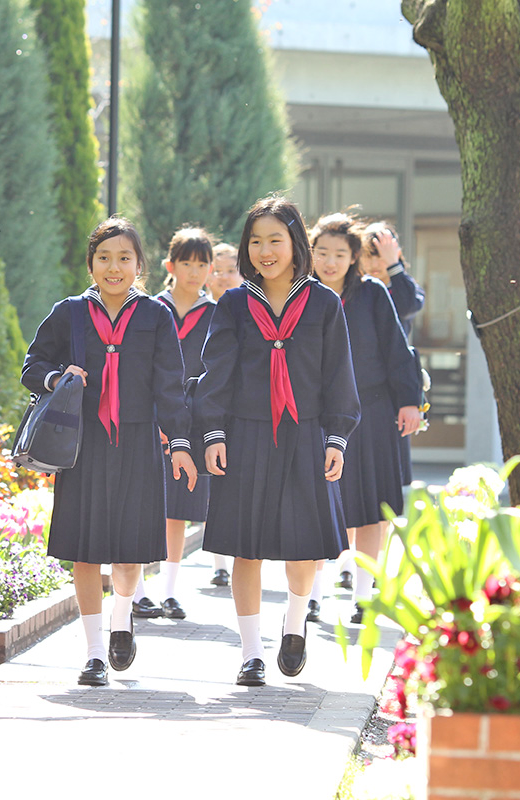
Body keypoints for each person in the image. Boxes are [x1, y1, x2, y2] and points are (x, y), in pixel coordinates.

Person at [21, 216, 198, 686]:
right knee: (85, 551)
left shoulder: (155, 316)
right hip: (85, 446)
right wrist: (56, 378)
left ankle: (123, 619)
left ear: (139, 265)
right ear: (91, 264)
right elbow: (32, 364)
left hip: (139, 443)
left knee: (129, 547)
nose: (114, 267)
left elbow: (171, 385)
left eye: (124, 258)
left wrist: (180, 445)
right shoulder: (70, 314)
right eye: (104, 258)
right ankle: (95, 652)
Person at [194, 196, 360, 687]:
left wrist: (337, 438)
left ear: (295, 244)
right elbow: (215, 374)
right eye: (256, 241)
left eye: (276, 240)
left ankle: (293, 624)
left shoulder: (324, 304)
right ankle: (250, 653)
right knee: (246, 547)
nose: (266, 251)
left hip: (306, 433)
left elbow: (338, 377)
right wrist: (213, 433)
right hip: (245, 434)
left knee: (303, 544)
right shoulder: (235, 305)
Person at [309, 213, 421, 625]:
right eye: (322, 252)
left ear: (354, 256)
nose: (330, 261)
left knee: (371, 507)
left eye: (340, 253)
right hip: (316, 415)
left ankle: (362, 596)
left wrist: (409, 401)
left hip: (372, 410)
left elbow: (397, 351)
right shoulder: (301, 295)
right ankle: (311, 595)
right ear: (311, 253)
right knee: (318, 504)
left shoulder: (373, 293)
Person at [132, 226, 216, 620]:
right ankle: (137, 592)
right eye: (187, 263)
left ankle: (169, 591)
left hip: (193, 420)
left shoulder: (215, 314)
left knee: (179, 507)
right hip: (149, 415)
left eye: (202, 264)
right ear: (170, 265)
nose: (194, 271)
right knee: (143, 499)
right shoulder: (151, 310)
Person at [204, 241, 243, 589]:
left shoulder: (243, 308)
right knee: (214, 488)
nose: (224, 277)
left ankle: (231, 561)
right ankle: (219, 564)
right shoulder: (203, 310)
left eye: (231, 270)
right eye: (217, 271)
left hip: (241, 416)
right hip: (211, 411)